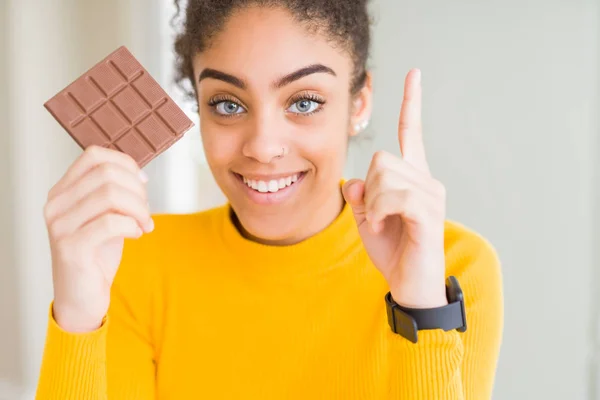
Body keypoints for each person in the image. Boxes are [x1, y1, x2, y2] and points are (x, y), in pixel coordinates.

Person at [35, 1, 503, 399]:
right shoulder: (133, 262)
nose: (262, 145)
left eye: (303, 102)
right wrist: (77, 318)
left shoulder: (455, 268)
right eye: (227, 104)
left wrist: (421, 306)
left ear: (358, 103)